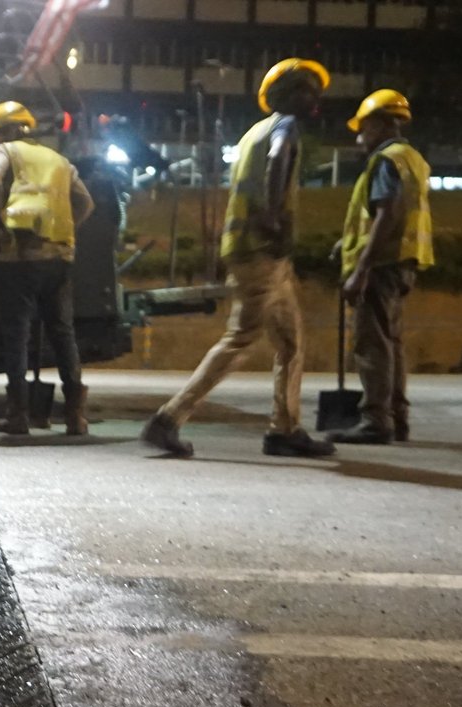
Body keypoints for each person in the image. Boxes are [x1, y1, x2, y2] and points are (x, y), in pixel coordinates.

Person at [141, 58, 334, 459]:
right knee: (240, 339)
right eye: (305, 89)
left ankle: (285, 429)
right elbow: (279, 160)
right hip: (262, 250)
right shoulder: (284, 128)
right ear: (285, 94)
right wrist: (275, 219)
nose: (313, 99)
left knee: (292, 342)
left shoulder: (253, 133)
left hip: (261, 256)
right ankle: (169, 418)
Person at [0, 100, 98, 436]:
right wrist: (65, 229)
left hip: (18, 257)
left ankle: (18, 415)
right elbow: (86, 202)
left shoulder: (6, 151)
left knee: (17, 335)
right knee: (63, 332)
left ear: (1, 131)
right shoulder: (58, 160)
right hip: (59, 258)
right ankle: (76, 417)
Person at [329, 90, 434, 444]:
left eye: (364, 128)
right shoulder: (412, 159)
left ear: (382, 123)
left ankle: (376, 420)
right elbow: (388, 215)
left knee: (372, 344)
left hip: (380, 266)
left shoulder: (386, 160)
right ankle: (397, 418)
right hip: (403, 263)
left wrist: (361, 268)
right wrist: (348, 243)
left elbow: (388, 213)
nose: (360, 138)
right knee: (392, 344)